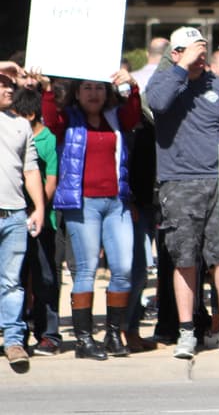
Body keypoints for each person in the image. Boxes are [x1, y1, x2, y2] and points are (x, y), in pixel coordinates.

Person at [145, 27, 219, 359]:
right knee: (184, 259)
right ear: (175, 53)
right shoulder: (163, 81)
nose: (201, 60)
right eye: (193, 53)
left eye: (203, 54)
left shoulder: (217, 84)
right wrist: (181, 67)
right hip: (179, 182)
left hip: (218, 180)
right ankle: (187, 332)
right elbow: (157, 104)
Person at [40, 68, 142, 360]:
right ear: (77, 92)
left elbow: (133, 115)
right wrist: (47, 88)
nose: (93, 93)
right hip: (83, 204)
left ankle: (113, 334)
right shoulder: (68, 119)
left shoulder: (115, 118)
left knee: (122, 269)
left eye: (99, 87)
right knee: (85, 271)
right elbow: (50, 118)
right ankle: (84, 341)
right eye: (87, 87)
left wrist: (131, 86)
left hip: (116, 203)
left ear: (107, 91)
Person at [0, 72, 45, 368]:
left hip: (15, 213)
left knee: (12, 282)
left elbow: (30, 170)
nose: (6, 89)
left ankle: (14, 340)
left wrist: (39, 207)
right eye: (1, 84)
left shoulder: (21, 125)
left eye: (9, 84)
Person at [12, 88, 59, 357]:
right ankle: (16, 334)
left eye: (16, 116)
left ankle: (48, 334)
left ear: (30, 115)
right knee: (14, 278)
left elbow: (50, 178)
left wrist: (38, 207)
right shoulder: (12, 136)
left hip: (41, 220)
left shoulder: (47, 140)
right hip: (13, 215)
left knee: (44, 277)